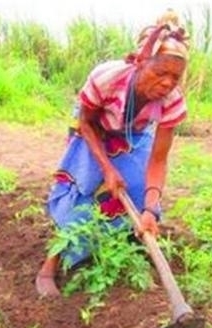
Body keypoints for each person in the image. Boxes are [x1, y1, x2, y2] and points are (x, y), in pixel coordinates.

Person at [35, 10, 190, 296]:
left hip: (133, 132)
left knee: (139, 191)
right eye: (160, 73)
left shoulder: (172, 102)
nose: (168, 83)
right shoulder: (107, 78)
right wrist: (106, 167)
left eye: (175, 77)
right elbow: (86, 122)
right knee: (83, 189)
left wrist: (151, 208)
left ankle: (128, 248)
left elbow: (158, 159)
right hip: (93, 127)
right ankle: (50, 265)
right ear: (141, 62)